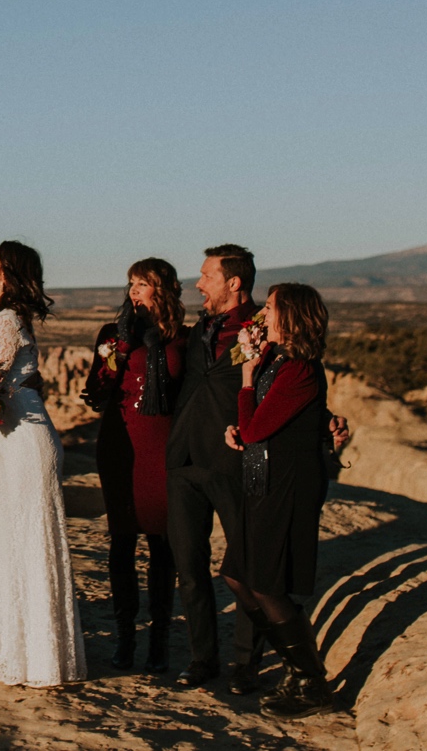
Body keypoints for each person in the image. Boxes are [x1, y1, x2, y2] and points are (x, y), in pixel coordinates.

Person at [0, 240, 88, 687]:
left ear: (6, 275)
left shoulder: (6, 320)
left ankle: (41, 659)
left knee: (27, 541)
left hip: (23, 437)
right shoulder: (1, 318)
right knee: (11, 542)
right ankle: (23, 653)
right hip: (9, 436)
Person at [220, 282, 335, 717]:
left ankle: (311, 682)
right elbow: (255, 426)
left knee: (266, 581)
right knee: (237, 575)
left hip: (285, 484)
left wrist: (246, 380)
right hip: (260, 477)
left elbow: (256, 428)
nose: (262, 314)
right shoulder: (278, 358)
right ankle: (295, 664)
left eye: (269, 308)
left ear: (290, 316)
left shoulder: (300, 369)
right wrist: (240, 430)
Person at [165, 243, 267, 692]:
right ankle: (202, 657)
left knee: (245, 567)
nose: (198, 284)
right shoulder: (201, 327)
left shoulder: (266, 329)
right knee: (189, 565)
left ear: (234, 282)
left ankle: (246, 665)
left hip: (236, 460)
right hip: (185, 458)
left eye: (206, 276)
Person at [81, 257, 186, 673]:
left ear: (164, 288)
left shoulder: (185, 338)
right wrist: (121, 347)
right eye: (130, 284)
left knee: (163, 545)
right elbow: (96, 389)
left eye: (142, 283)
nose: (133, 291)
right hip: (120, 446)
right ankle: (126, 636)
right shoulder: (113, 334)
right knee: (122, 542)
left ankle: (159, 639)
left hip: (163, 448)